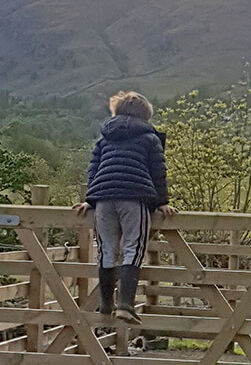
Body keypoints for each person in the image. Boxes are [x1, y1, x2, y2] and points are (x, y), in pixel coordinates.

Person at [73, 91, 176, 324]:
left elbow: (94, 169)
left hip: (103, 198)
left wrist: (90, 199)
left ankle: (105, 303)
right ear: (145, 116)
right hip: (135, 196)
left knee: (106, 248)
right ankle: (125, 305)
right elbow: (157, 171)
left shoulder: (104, 138)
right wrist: (162, 202)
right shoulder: (150, 139)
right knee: (134, 246)